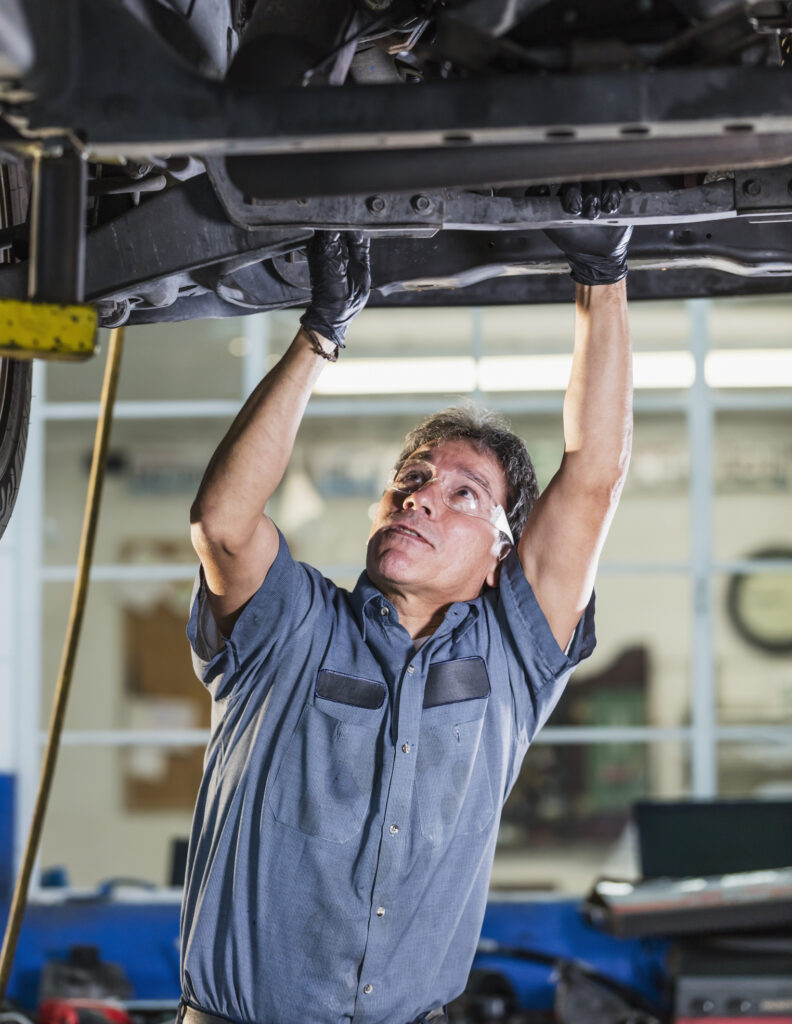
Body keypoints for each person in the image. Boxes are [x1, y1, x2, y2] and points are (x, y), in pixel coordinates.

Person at [182, 210, 633, 1024]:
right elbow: (223, 523)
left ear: (504, 553)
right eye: (410, 479)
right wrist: (320, 336)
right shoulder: (292, 626)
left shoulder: (514, 658)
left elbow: (594, 474)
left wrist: (602, 278)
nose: (421, 494)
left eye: (464, 494)